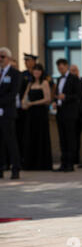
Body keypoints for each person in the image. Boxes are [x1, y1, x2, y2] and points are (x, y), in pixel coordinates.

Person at [21, 63, 53, 170]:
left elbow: (47, 99)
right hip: (31, 114)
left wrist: (32, 103)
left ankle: (42, 164)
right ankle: (31, 164)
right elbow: (25, 96)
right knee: (31, 136)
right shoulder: (30, 84)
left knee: (41, 136)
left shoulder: (44, 83)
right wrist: (24, 103)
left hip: (40, 114)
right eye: (35, 70)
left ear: (41, 72)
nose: (37, 72)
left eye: (39, 70)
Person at [52, 59, 81, 172]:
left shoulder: (74, 79)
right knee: (62, 139)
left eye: (62, 67)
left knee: (70, 139)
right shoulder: (59, 79)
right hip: (60, 112)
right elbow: (57, 95)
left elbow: (78, 95)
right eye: (59, 68)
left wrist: (66, 97)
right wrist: (56, 102)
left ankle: (70, 164)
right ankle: (63, 163)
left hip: (70, 113)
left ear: (66, 66)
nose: (60, 69)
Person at [0, 47, 22, 179]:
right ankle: (0, 167)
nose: (0, 59)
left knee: (10, 141)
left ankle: (15, 168)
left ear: (8, 58)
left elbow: (13, 94)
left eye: (2, 57)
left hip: (7, 112)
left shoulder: (15, 74)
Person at [69, 64, 82, 165]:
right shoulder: (68, 82)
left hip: (81, 114)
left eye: (75, 70)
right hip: (71, 114)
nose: (73, 73)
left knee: (77, 137)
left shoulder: (81, 81)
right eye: (71, 71)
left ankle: (76, 158)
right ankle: (72, 158)